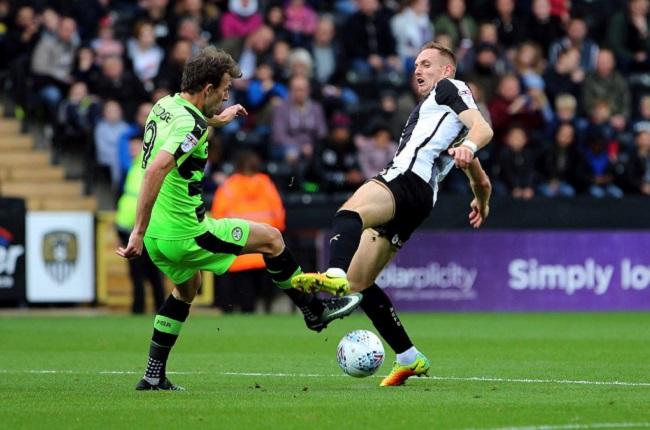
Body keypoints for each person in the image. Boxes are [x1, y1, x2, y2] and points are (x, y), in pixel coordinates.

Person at [117, 47, 361, 391]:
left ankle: (153, 375)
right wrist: (135, 232)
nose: (227, 95)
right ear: (207, 89)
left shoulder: (165, 105)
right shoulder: (192, 124)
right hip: (186, 234)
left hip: (159, 237)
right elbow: (158, 167)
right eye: (224, 90)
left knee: (187, 290)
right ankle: (312, 310)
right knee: (273, 239)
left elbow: (186, 126)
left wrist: (217, 119)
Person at [292, 42, 493, 387]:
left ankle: (333, 273)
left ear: (447, 70)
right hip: (420, 202)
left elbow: (483, 130)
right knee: (361, 283)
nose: (419, 69)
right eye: (416, 64)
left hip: (405, 179)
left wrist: (471, 145)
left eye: (427, 64)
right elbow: (480, 177)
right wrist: (482, 200)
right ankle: (409, 358)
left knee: (349, 213)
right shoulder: (445, 118)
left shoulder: (451, 88)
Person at [115, 135, 165, 314]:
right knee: (141, 272)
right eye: (131, 147)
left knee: (149, 272)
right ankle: (145, 307)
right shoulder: (134, 167)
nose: (132, 150)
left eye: (135, 146)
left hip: (142, 227)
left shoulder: (146, 166)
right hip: (129, 225)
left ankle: (148, 308)